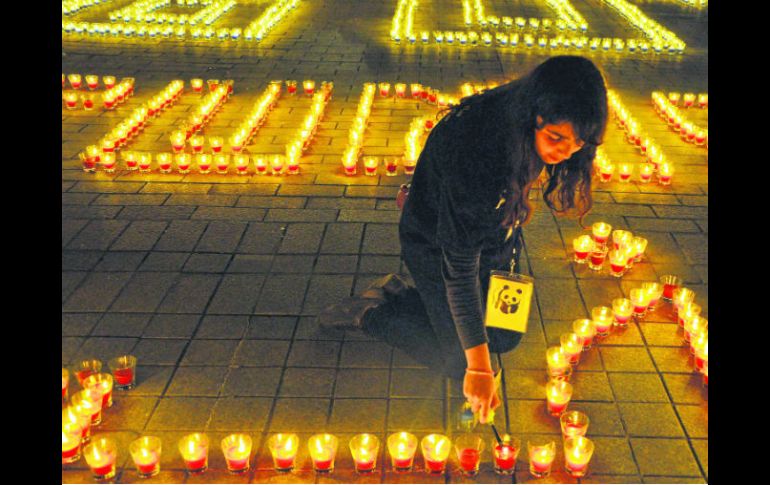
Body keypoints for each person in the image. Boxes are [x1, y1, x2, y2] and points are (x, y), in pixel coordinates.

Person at [317, 56, 608, 424]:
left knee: (502, 338)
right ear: (535, 116)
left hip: (492, 235)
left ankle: (406, 294)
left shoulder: (525, 113)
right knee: (460, 362)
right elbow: (459, 268)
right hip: (436, 244)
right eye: (556, 138)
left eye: (578, 142)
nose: (566, 152)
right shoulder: (479, 147)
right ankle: (372, 312)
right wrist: (479, 370)